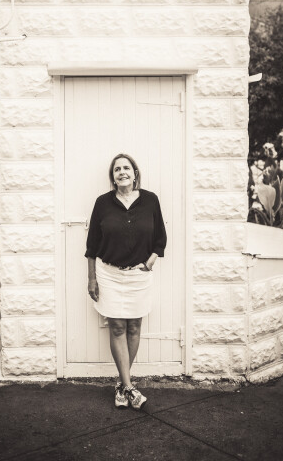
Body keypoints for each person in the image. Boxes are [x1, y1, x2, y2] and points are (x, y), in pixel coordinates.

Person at [85, 153, 167, 410]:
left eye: (126, 168)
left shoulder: (150, 200)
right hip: (109, 273)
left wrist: (150, 261)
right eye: (117, 169)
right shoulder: (102, 203)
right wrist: (91, 278)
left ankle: (121, 386)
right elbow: (92, 245)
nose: (122, 172)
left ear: (135, 173)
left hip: (138, 275)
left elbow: (161, 238)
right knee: (118, 327)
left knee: (134, 327)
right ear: (113, 176)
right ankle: (130, 387)